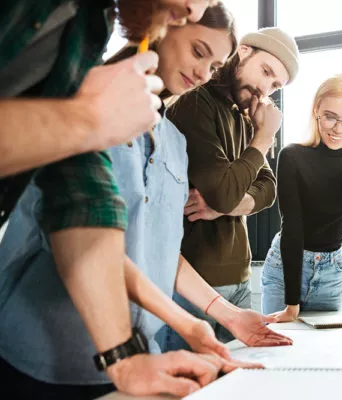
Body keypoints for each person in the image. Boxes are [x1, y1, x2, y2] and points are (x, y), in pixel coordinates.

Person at [0, 1, 241, 398]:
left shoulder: (87, 28)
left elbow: (80, 197)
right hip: (37, 349)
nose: (196, 10)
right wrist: (84, 120)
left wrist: (124, 357)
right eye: (199, 51)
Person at [163, 27, 300, 346]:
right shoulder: (195, 100)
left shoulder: (243, 117)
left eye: (275, 84)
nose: (266, 88)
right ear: (244, 51)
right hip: (193, 285)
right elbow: (223, 191)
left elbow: (268, 188)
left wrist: (224, 205)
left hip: (239, 279)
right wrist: (263, 138)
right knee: (196, 392)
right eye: (266, 72)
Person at [261, 74, 342, 322]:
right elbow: (292, 227)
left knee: (323, 349)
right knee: (279, 351)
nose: (338, 129)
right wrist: (291, 306)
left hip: (331, 272)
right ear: (316, 111)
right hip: (284, 266)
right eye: (330, 117)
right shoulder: (292, 156)